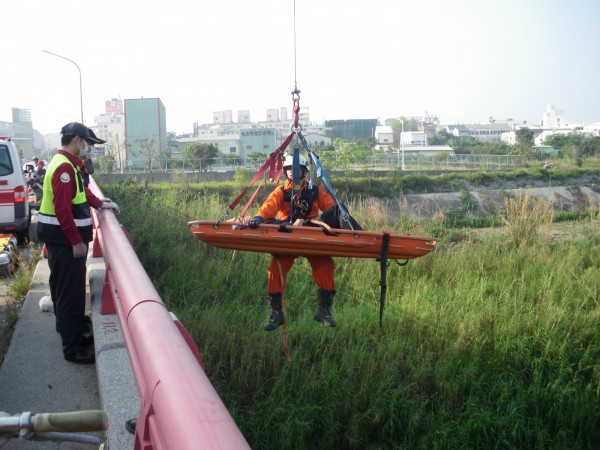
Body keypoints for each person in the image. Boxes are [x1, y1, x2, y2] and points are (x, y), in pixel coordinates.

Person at [37, 122, 120, 365]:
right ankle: (72, 348)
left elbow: (82, 194)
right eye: (87, 143)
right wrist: (76, 242)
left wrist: (101, 203)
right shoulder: (64, 168)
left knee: (62, 288)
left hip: (59, 240)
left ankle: (69, 329)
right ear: (76, 140)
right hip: (64, 242)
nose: (89, 148)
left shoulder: (69, 165)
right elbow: (63, 211)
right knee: (69, 293)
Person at [246, 154, 338, 331]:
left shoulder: (315, 191)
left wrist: (341, 219)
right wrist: (259, 217)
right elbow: (270, 206)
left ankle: (324, 310)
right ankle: (276, 312)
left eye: (295, 170)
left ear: (304, 172)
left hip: (311, 234)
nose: (291, 173)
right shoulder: (281, 191)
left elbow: (332, 209)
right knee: (275, 269)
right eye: (288, 170)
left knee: (324, 266)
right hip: (287, 235)